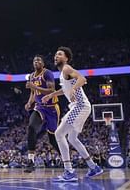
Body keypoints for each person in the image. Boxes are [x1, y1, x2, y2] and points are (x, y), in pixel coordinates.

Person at [42, 47, 103, 182]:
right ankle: (94, 167)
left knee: (58, 134)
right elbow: (65, 90)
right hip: (81, 107)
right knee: (72, 139)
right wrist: (52, 94)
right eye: (55, 54)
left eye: (59, 54)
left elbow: (82, 79)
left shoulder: (66, 68)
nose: (56, 56)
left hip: (80, 106)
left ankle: (69, 171)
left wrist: (75, 89)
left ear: (66, 58)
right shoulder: (62, 74)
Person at [24, 55, 60, 173]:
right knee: (31, 127)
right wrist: (29, 103)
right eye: (34, 60)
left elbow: (52, 90)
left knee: (53, 139)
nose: (36, 62)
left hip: (51, 108)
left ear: (43, 63)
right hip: (39, 107)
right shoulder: (31, 76)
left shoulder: (47, 73)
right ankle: (31, 161)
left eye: (39, 60)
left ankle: (66, 158)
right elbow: (33, 93)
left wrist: (34, 86)